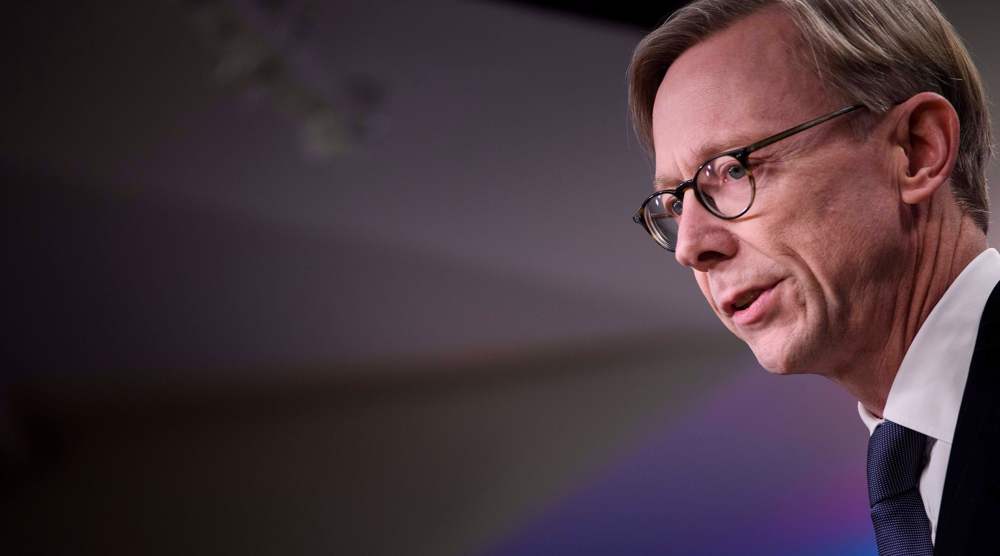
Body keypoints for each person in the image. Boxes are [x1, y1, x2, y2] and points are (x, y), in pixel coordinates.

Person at [627, 1, 999, 554]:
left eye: (733, 170)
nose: (690, 247)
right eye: (676, 203)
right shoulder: (915, 467)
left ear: (917, 150)